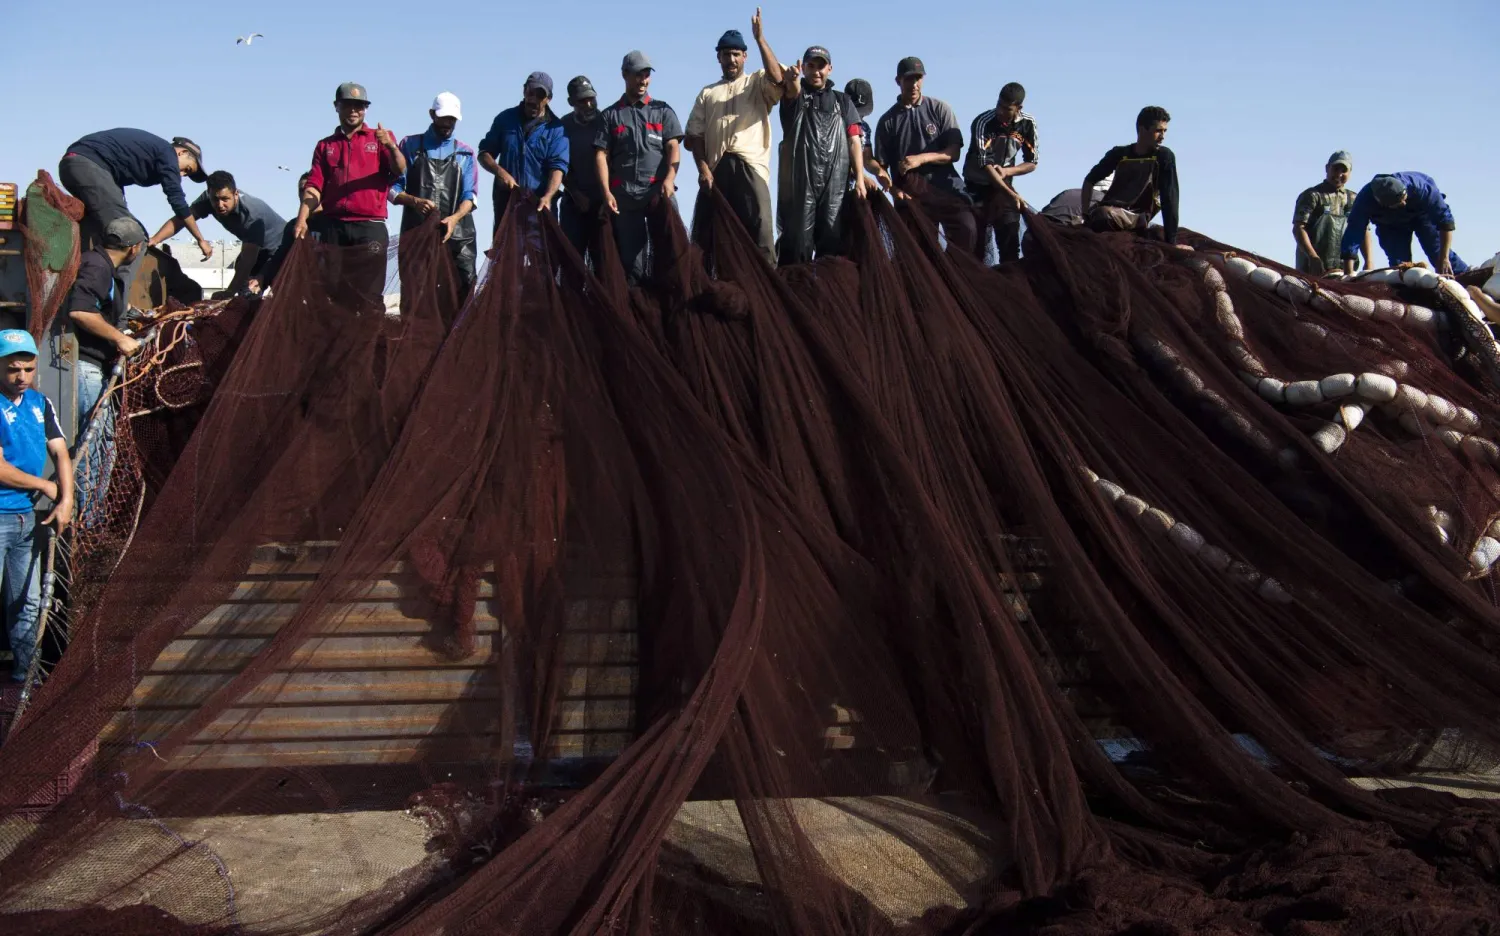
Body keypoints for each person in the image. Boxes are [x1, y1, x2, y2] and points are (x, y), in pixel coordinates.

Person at [685, 9, 786, 265]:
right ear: (718, 57)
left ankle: (770, 296)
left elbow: (778, 78)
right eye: (726, 54)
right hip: (716, 170)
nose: (731, 59)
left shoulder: (757, 81)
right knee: (711, 239)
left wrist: (760, 39)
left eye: (736, 54)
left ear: (745, 57)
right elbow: (694, 135)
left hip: (750, 167)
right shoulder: (707, 93)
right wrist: (703, 168)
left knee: (761, 232)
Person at [294, 82, 405, 311]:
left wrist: (391, 147)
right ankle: (338, 345)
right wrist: (302, 217)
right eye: (348, 105)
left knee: (370, 295)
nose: (354, 110)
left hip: (370, 227)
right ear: (337, 107)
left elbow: (399, 169)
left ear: (365, 109)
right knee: (334, 292)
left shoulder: (380, 137)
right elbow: (315, 185)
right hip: (334, 228)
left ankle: (371, 345)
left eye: (360, 106)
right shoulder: (325, 146)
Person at [0, 330, 72, 684]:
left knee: (27, 604)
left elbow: (60, 451)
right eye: (14, 369)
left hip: (27, 518)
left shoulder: (40, 403)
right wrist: (46, 486)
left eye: (28, 369)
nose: (22, 377)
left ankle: (27, 679)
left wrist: (67, 500)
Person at [57, 129, 211, 293]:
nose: (181, 175)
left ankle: (87, 282)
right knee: (133, 239)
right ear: (182, 152)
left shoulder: (148, 151)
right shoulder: (167, 153)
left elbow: (115, 189)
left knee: (104, 231)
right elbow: (178, 201)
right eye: (186, 169)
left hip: (73, 164)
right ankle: (117, 311)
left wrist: (153, 237)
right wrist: (200, 239)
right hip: (88, 165)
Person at [65, 217, 146, 519]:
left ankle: (89, 518)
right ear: (134, 248)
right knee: (93, 450)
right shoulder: (99, 268)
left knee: (100, 446)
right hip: (86, 369)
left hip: (88, 367)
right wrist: (118, 339)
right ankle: (88, 523)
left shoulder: (96, 262)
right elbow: (80, 311)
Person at [596, 52, 684, 284]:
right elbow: (601, 155)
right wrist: (606, 192)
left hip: (658, 193)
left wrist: (669, 178)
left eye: (646, 75)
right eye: (638, 74)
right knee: (631, 265)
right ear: (624, 75)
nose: (643, 80)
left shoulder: (663, 111)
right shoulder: (610, 115)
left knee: (672, 253)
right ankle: (637, 310)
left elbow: (673, 148)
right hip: (625, 197)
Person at [775, 46, 866, 266]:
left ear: (830, 69)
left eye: (821, 66)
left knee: (833, 247)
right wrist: (791, 80)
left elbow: (854, 141)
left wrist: (861, 179)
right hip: (800, 187)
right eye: (811, 66)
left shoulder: (843, 102)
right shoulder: (796, 96)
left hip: (835, 187)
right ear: (804, 68)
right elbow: (792, 90)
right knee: (797, 246)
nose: (816, 71)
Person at [874, 57, 972, 248]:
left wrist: (922, 158)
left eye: (918, 78)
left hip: (946, 187)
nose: (914, 84)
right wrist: (894, 191)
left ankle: (953, 274)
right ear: (898, 81)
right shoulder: (887, 121)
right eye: (909, 79)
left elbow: (954, 153)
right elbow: (881, 167)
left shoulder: (940, 109)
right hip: (911, 197)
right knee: (921, 251)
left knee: (967, 228)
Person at [391, 92, 479, 297]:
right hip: (417, 234)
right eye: (443, 117)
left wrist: (455, 218)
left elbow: (471, 196)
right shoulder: (409, 146)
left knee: (462, 292)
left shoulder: (466, 153)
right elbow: (392, 189)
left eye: (452, 119)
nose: (448, 123)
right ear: (432, 114)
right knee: (416, 294)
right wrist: (413, 201)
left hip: (459, 237)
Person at [146, 171, 288, 297]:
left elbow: (248, 260)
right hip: (256, 248)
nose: (220, 205)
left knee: (256, 289)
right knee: (243, 285)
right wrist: (155, 239)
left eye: (225, 199)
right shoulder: (208, 199)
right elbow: (182, 219)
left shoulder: (252, 213)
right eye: (215, 199)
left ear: (235, 194)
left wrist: (229, 292)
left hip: (280, 249)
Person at [478, 73, 569, 233]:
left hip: (540, 205)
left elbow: (558, 167)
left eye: (540, 95)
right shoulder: (505, 119)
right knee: (506, 257)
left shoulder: (556, 129)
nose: (533, 99)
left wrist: (548, 196)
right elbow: (484, 153)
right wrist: (500, 173)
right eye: (530, 92)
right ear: (524, 91)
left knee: (541, 257)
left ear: (549, 98)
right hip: (507, 204)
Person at [1080, 106, 1179, 244]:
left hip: (1135, 217)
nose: (1163, 137)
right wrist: (1085, 214)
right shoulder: (1119, 153)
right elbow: (1089, 180)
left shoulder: (1163, 156)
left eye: (1164, 131)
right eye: (1158, 131)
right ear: (1141, 129)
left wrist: (1171, 241)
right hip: (1109, 212)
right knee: (1099, 215)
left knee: (1103, 214)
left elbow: (1169, 199)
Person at [964, 82, 1037, 263]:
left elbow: (1032, 162)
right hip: (977, 188)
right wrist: (1011, 194)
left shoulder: (1028, 124)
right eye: (999, 105)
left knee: (1010, 241)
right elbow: (986, 165)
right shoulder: (983, 122)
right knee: (975, 244)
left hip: (1004, 189)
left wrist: (1007, 171)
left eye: (1006, 109)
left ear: (1018, 108)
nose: (1000, 112)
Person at [1341, 172, 1468, 276]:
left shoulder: (1421, 187)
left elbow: (1445, 221)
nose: (1404, 203)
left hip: (1421, 215)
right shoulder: (1365, 200)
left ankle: (1463, 276)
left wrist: (1444, 258)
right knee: (1400, 265)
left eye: (1404, 198)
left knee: (1436, 251)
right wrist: (1348, 274)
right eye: (1399, 202)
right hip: (1390, 225)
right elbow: (1354, 233)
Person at [1293, 151, 1369, 277]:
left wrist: (1369, 262)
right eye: (1335, 169)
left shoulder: (1355, 199)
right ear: (1327, 168)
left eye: (1344, 170)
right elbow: (1298, 228)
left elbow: (1364, 231)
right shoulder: (1312, 195)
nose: (1339, 174)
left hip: (1346, 271)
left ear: (1350, 172)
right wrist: (1313, 257)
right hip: (1313, 270)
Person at [560, 76, 605, 256]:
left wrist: (606, 199)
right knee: (572, 261)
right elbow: (558, 166)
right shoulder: (562, 126)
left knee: (604, 263)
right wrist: (576, 194)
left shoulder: (606, 121)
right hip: (574, 206)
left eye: (591, 99)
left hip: (603, 205)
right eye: (581, 101)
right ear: (571, 102)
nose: (588, 105)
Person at [249, 173, 315, 296]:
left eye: (308, 190)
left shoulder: (332, 223)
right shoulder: (292, 226)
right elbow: (279, 257)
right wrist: (262, 277)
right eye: (301, 190)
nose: (304, 194)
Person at [843, 79, 892, 193]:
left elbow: (867, 159)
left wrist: (879, 171)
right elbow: (835, 161)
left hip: (853, 191)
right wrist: (861, 177)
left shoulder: (864, 127)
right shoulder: (836, 124)